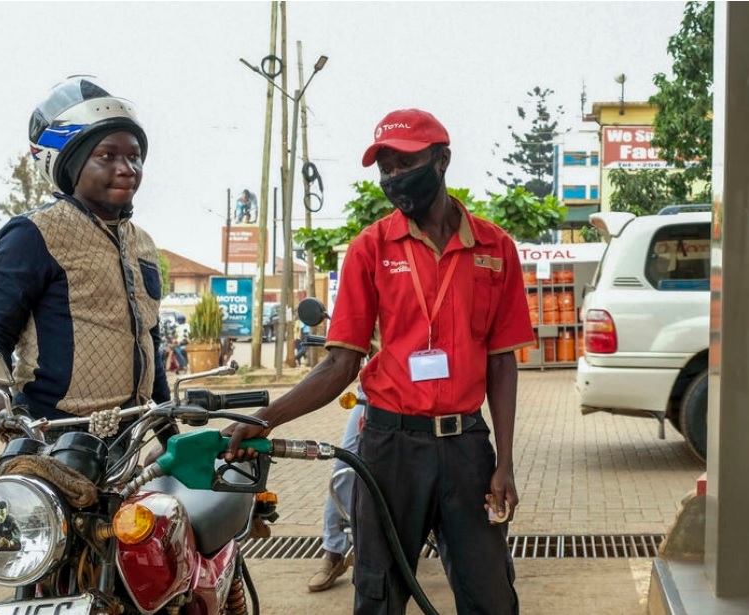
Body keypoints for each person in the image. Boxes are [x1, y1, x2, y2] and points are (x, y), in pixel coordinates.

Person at [226, 108, 533, 614]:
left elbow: (502, 363)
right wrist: (266, 418)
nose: (393, 177)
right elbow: (340, 364)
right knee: (380, 596)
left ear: (442, 160)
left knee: (492, 597)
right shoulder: (370, 248)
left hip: (466, 449)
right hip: (390, 448)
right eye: (384, 168)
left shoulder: (495, 248)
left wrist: (505, 464)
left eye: (404, 163)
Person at [0, 76, 171, 446]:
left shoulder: (143, 245)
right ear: (70, 164)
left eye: (134, 156)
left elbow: (149, 341)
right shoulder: (32, 234)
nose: (128, 168)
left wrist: (167, 431)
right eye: (107, 156)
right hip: (53, 438)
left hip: (131, 438)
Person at [308, 392, 364, 592]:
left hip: (436, 391)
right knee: (346, 466)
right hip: (378, 391)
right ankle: (334, 552)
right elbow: (337, 365)